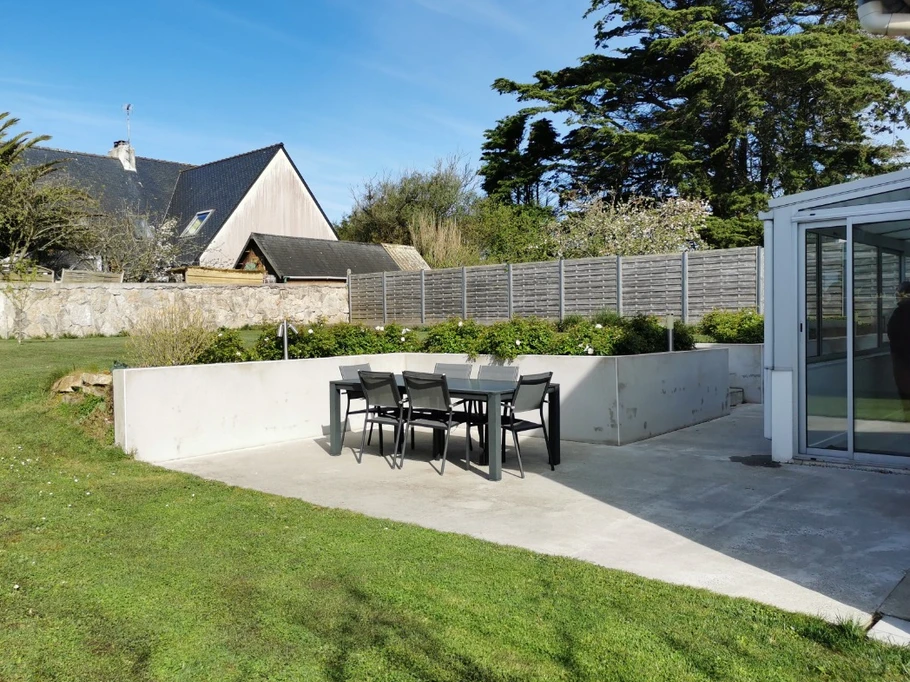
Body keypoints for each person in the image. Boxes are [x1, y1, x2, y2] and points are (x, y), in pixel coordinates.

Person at [887, 281, 910, 420]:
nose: (897, 297)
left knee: (905, 391)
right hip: (902, 359)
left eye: (899, 294)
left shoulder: (900, 313)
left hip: (902, 360)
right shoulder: (899, 312)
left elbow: (893, 334)